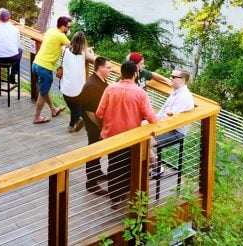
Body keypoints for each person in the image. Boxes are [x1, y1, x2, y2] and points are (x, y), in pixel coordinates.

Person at [96, 60, 157, 207]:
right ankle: (126, 193)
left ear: (121, 73)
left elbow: (99, 112)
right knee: (129, 165)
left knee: (113, 164)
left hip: (111, 135)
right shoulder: (140, 93)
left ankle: (115, 196)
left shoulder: (110, 89)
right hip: (131, 137)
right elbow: (152, 118)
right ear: (135, 74)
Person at [150, 70, 194, 178]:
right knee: (138, 131)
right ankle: (153, 163)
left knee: (143, 142)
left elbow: (170, 120)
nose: (170, 78)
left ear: (182, 80)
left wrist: (152, 127)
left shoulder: (183, 97)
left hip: (175, 131)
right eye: (170, 76)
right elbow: (162, 113)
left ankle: (155, 166)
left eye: (173, 77)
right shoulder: (175, 92)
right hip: (166, 126)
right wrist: (150, 121)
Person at [78, 57, 112, 195]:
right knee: (93, 151)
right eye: (108, 67)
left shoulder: (100, 81)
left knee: (97, 150)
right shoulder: (92, 85)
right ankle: (91, 183)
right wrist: (99, 127)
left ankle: (97, 172)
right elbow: (88, 110)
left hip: (98, 123)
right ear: (99, 68)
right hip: (94, 125)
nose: (111, 69)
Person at [30, 16, 71, 124]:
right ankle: (37, 117)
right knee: (42, 94)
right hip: (44, 68)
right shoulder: (61, 36)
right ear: (63, 27)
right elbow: (73, 47)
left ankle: (53, 110)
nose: (69, 29)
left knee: (45, 89)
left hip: (36, 63)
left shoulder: (51, 30)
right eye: (68, 27)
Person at [60, 31, 96, 133]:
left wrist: (85, 50)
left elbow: (68, 48)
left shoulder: (65, 50)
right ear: (84, 43)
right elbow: (97, 60)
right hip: (79, 90)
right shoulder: (85, 55)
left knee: (73, 106)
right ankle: (76, 121)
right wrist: (90, 53)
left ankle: (73, 124)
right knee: (76, 106)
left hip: (65, 88)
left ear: (72, 41)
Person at [0, 8, 22, 83]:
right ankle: (13, 75)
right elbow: (18, 45)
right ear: (9, 18)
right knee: (20, 50)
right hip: (12, 58)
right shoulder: (15, 29)